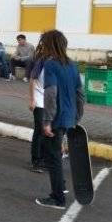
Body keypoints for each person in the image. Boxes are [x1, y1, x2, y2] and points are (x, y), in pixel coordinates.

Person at [35, 29, 84, 210]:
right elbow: (80, 94)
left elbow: (51, 93)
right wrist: (76, 117)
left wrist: (47, 121)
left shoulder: (51, 65)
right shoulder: (72, 65)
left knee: (53, 157)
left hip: (55, 119)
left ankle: (57, 198)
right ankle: (60, 187)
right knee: (56, 155)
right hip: (68, 117)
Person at [28, 41, 47, 173]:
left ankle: (45, 159)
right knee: (39, 129)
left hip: (51, 102)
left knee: (49, 131)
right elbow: (33, 80)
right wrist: (32, 99)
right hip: (39, 99)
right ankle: (36, 160)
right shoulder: (41, 61)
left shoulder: (59, 62)